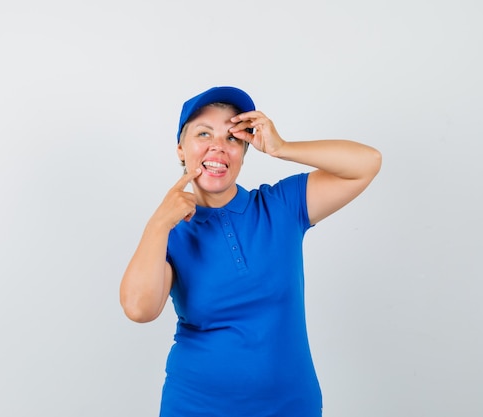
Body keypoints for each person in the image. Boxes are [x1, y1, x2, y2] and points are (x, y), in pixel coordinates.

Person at [119, 86, 382, 416]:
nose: (218, 147)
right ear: (180, 150)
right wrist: (158, 224)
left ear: (244, 152)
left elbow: (367, 163)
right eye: (204, 133)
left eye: (232, 138)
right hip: (196, 406)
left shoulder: (281, 206)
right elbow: (139, 309)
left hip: (291, 407)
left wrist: (281, 147)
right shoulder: (169, 234)